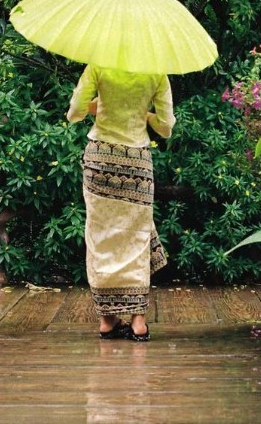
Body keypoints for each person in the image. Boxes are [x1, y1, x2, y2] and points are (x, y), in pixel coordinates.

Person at [67, 64, 175, 341]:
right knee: (136, 236)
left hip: (100, 156)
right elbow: (165, 128)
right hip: (136, 161)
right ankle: (138, 321)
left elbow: (75, 113)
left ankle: (107, 320)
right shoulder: (155, 71)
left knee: (102, 235)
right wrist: (144, 113)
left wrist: (101, 106)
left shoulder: (99, 65)